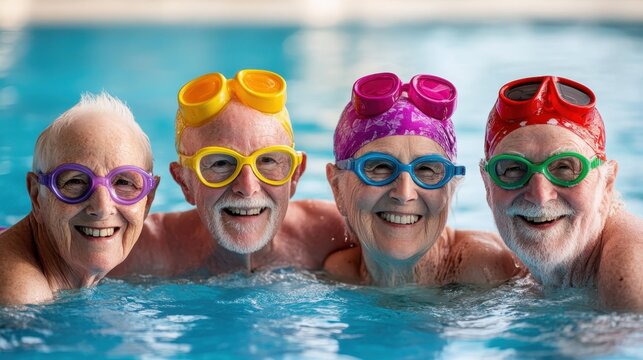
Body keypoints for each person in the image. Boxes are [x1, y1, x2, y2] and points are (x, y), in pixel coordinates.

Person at [112, 69, 355, 277]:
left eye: (267, 161)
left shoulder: (338, 234)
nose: (247, 187)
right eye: (220, 164)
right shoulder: (138, 253)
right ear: (184, 182)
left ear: (294, 175)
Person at [323, 72, 523, 286]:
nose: (404, 194)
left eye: (426, 169)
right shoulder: (337, 275)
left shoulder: (489, 272)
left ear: (450, 188)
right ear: (337, 188)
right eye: (379, 167)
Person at [481, 75, 643, 310]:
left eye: (565, 168)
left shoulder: (630, 277)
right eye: (513, 169)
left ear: (607, 183)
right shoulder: (517, 270)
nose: (540, 195)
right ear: (487, 186)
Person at [0, 93, 159, 305]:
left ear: (147, 201)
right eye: (75, 182)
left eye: (123, 183)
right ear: (37, 196)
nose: (102, 207)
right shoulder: (19, 298)